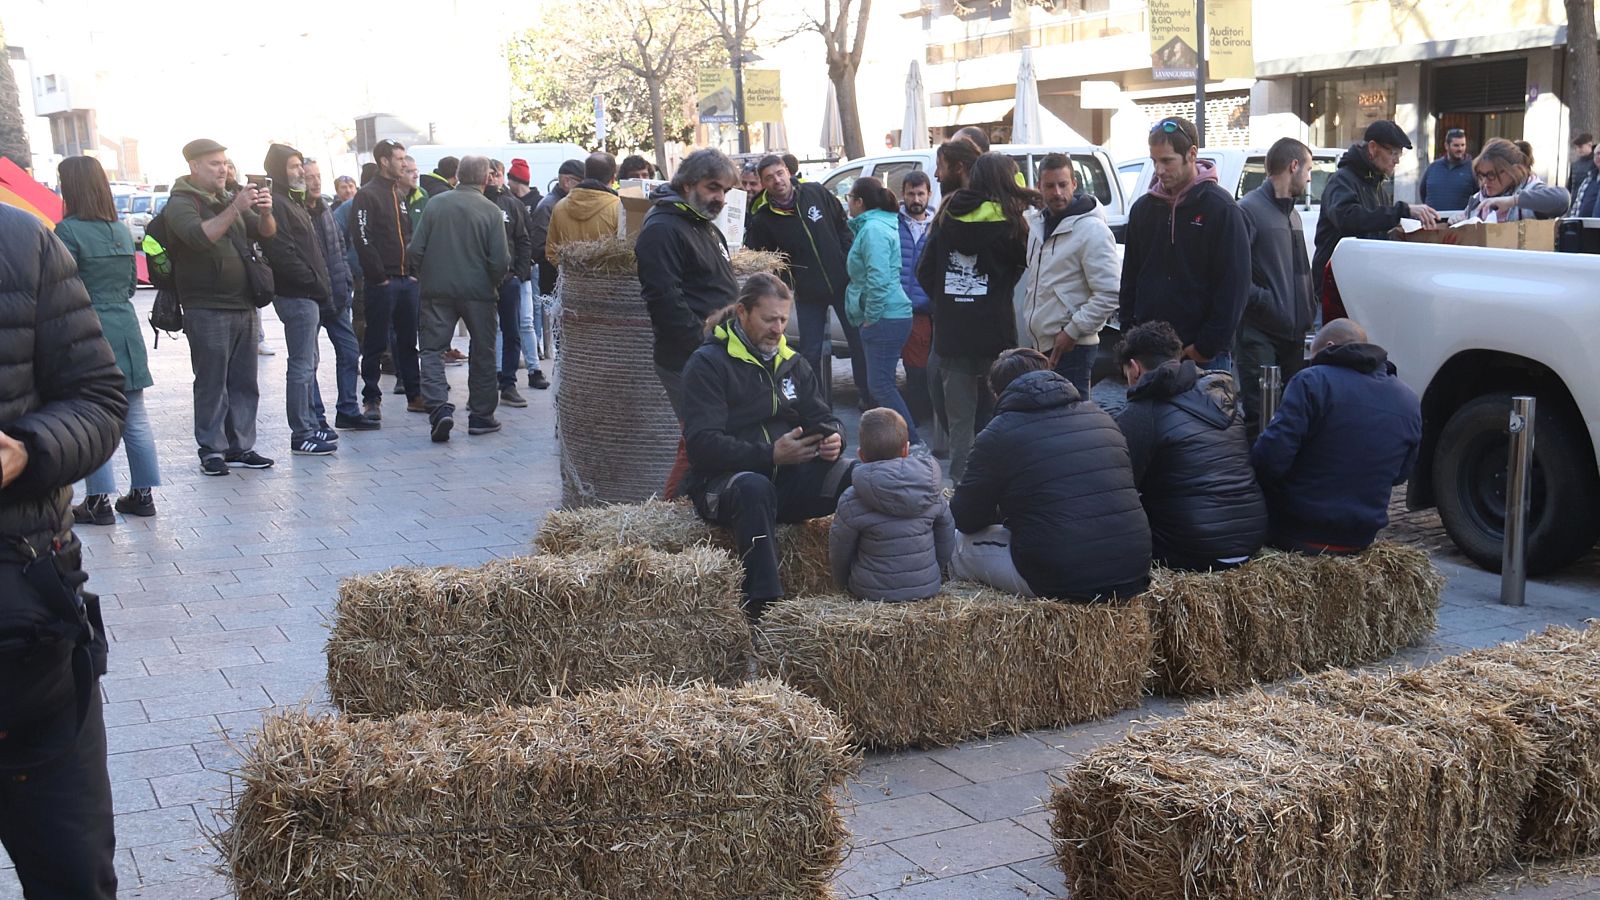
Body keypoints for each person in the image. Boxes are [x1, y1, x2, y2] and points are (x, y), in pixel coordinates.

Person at [0, 200, 127, 900]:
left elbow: (99, 400)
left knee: (73, 874)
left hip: (28, 629)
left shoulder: (21, 242)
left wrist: (27, 451)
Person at [681, 273, 853, 618]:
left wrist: (835, 438)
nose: (778, 329)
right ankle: (766, 609)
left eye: (783, 320)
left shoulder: (792, 362)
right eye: (769, 319)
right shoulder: (707, 364)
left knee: (858, 476)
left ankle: (866, 585)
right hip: (725, 486)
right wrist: (770, 454)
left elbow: (823, 416)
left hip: (787, 482)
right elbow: (702, 446)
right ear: (742, 313)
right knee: (754, 487)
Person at [949, 348, 1150, 600]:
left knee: (956, 545)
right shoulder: (1103, 418)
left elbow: (965, 519)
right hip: (1134, 568)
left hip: (1060, 578)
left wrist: (1005, 508)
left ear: (997, 394)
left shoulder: (997, 434)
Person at [1251, 318, 1421, 554]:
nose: (1311, 363)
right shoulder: (1408, 399)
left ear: (1329, 346)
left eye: (1313, 356)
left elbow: (1270, 460)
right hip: (1362, 536)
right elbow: (1400, 475)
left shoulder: (1311, 381)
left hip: (1297, 529)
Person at [915, 152, 1036, 483]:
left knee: (960, 426)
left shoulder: (946, 215)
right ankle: (1000, 486)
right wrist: (996, 292)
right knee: (1001, 412)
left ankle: (963, 494)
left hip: (953, 335)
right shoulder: (1012, 222)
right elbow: (1023, 267)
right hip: (995, 334)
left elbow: (923, 270)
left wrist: (948, 302)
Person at [55, 156, 161, 524]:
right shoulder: (119, 230)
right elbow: (133, 284)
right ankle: (142, 495)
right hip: (125, 326)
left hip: (87, 329)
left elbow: (60, 287)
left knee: (92, 418)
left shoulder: (67, 231)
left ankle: (99, 501)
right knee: (135, 417)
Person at [1114, 322, 1267, 571]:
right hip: (1251, 536)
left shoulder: (1141, 413)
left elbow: (1117, 486)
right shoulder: (1224, 400)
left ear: (1134, 368)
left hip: (1193, 547)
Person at [167, 138, 278, 475]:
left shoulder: (229, 197)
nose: (223, 169)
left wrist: (264, 211)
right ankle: (211, 450)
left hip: (244, 303)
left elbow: (267, 234)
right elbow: (200, 237)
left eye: (225, 163)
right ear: (194, 166)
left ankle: (241, 446)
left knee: (245, 381)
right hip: (207, 306)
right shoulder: (181, 203)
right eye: (214, 163)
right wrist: (235, 208)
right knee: (212, 382)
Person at [1120, 117, 1250, 374]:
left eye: (1167, 161)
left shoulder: (1222, 209)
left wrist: (1203, 348)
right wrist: (1128, 338)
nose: (1159, 169)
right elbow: (1130, 280)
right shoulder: (1142, 210)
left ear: (1192, 154)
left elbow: (1234, 287)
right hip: (1148, 354)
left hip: (1203, 358)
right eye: (1154, 161)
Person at [745, 153, 871, 408]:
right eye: (769, 178)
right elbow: (765, 260)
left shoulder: (815, 192)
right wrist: (789, 282)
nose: (777, 180)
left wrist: (845, 258)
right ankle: (816, 404)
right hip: (807, 293)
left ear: (788, 172)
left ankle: (867, 395)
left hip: (841, 284)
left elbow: (841, 224)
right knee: (810, 352)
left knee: (858, 343)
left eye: (780, 173)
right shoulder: (762, 219)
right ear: (764, 183)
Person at [408, 156, 509, 442]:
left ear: (458, 174)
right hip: (479, 293)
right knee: (483, 351)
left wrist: (426, 274)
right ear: (486, 179)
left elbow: (415, 249)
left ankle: (439, 409)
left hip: (437, 291)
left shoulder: (435, 204)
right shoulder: (491, 211)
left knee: (431, 351)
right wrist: (492, 280)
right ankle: (481, 416)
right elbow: (500, 260)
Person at [637, 148, 740, 416]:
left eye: (725, 191)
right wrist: (704, 346)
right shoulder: (662, 228)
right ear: (687, 184)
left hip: (717, 352)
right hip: (691, 357)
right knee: (703, 439)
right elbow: (664, 301)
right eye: (713, 188)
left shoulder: (702, 223)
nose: (720, 198)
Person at [1017, 152, 1120, 399]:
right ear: (1039, 187)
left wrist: (1072, 332)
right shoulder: (1037, 226)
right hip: (1042, 345)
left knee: (1073, 421)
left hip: (1073, 347)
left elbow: (1109, 293)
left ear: (1074, 184)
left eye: (1063, 184)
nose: (1057, 192)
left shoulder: (1092, 230)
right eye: (1050, 186)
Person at [1312, 120, 1440, 312]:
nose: (1396, 160)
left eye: (1399, 154)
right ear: (1372, 148)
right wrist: (1402, 211)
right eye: (1393, 153)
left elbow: (1378, 226)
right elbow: (1348, 218)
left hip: (1361, 282)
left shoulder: (1376, 184)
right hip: (1336, 285)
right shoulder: (1342, 180)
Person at [829, 408, 953, 602]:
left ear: (861, 455)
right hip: (927, 586)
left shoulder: (852, 499)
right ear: (906, 450)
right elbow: (946, 536)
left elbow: (839, 550)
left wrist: (842, 583)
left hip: (870, 592)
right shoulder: (931, 490)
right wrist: (935, 569)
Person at [259, 144, 337, 456]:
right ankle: (301, 432)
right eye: (292, 166)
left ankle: (309, 425)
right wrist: (314, 282)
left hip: (308, 294)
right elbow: (283, 254)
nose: (300, 172)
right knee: (302, 365)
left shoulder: (293, 202)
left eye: (299, 165)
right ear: (278, 170)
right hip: (297, 295)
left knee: (310, 363)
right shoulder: (278, 203)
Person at [1236, 138, 1316, 438]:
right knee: (1261, 420)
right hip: (1260, 335)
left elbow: (1297, 272)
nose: (1309, 177)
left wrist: (1309, 305)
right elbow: (1236, 278)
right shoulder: (1248, 210)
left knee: (1290, 417)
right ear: (1293, 166)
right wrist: (1268, 304)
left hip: (1293, 335)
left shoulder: (1293, 213)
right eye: (1308, 169)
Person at [348, 139, 422, 420]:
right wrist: (378, 277)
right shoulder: (367, 195)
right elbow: (362, 237)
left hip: (406, 281)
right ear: (384, 161)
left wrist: (413, 272)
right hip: (383, 283)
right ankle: (371, 399)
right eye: (399, 158)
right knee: (376, 342)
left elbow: (409, 235)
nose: (404, 163)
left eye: (405, 158)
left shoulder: (399, 194)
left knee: (407, 341)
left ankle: (414, 395)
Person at [845, 176, 921, 446]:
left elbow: (877, 278)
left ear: (859, 202)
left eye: (849, 198)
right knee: (880, 384)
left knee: (880, 385)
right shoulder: (875, 225)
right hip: (889, 313)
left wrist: (870, 318)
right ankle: (894, 442)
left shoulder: (873, 229)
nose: (847, 205)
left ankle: (910, 441)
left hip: (886, 315)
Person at [302, 158, 373, 433]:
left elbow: (340, 248)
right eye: (309, 177)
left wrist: (344, 277)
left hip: (337, 295)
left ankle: (347, 409)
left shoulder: (326, 211)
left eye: (318, 176)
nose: (315, 181)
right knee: (310, 359)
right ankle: (316, 416)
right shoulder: (298, 212)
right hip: (309, 296)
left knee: (349, 350)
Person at [485, 159, 535, 408]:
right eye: (489, 174)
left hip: (509, 279)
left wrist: (519, 273)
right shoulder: (477, 203)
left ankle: (509, 383)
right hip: (481, 282)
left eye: (497, 174)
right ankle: (484, 383)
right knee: (483, 333)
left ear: (503, 176)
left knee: (512, 330)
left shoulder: (512, 204)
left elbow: (524, 240)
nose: (493, 179)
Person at [897, 170, 939, 438]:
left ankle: (918, 417)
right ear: (903, 194)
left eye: (920, 193)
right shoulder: (893, 223)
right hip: (896, 306)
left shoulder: (937, 227)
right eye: (911, 193)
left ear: (929, 194)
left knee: (918, 369)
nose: (915, 199)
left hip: (923, 309)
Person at [506, 158, 549, 383]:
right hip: (514, 269)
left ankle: (535, 359)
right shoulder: (508, 202)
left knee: (530, 316)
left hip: (529, 267)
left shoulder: (537, 201)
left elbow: (532, 236)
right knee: (516, 319)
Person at [1459, 137, 1570, 223]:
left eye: (1491, 175)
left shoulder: (1531, 190)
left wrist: (1512, 201)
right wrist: (1458, 221)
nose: (1485, 182)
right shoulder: (1477, 200)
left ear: (1513, 171)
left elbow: (1563, 199)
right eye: (1481, 175)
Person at [546, 151, 621, 262]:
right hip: (606, 278)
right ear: (613, 179)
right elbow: (624, 253)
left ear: (585, 174)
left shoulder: (559, 207)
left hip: (570, 278)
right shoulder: (619, 208)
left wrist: (571, 270)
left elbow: (551, 252)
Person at [529, 159, 582, 303]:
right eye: (581, 183)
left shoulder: (559, 204)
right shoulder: (548, 206)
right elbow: (540, 248)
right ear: (566, 181)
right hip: (554, 283)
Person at [1419, 127, 1475, 212]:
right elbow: (1423, 192)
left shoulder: (1473, 169)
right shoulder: (1433, 167)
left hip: (1461, 222)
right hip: (1434, 221)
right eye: (1456, 145)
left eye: (1463, 145)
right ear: (1446, 146)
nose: (1460, 149)